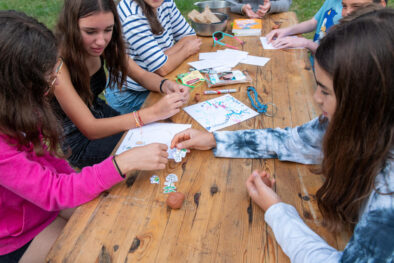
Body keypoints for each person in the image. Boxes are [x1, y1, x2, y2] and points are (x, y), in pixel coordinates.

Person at [171, 8, 394, 262]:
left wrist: (277, 211)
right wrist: (214, 139)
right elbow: (292, 141)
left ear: (368, 98)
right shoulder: (361, 122)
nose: (315, 98)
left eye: (325, 91)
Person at [0, 10, 169, 263]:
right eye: (44, 86)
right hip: (15, 236)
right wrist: (122, 162)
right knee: (95, 249)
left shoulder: (20, 110)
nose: (48, 93)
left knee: (115, 218)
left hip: (41, 206)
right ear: (13, 87)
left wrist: (80, 187)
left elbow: (54, 166)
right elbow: (53, 191)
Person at [53, 0, 188, 168]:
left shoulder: (106, 44)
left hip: (102, 115)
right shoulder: (57, 66)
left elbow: (141, 75)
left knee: (172, 134)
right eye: (90, 31)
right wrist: (151, 113)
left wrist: (165, 85)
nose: (101, 41)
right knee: (161, 147)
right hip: (81, 142)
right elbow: (90, 128)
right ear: (71, 26)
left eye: (108, 30)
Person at [104, 0, 201, 114]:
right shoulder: (132, 14)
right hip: (130, 95)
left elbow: (190, 36)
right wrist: (186, 50)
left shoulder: (164, 2)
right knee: (188, 108)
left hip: (158, 82)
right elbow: (163, 69)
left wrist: (163, 59)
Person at [265, 0, 387, 52]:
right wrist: (287, 31)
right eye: (344, 6)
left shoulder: (361, 28)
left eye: (356, 6)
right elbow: (315, 22)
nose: (348, 12)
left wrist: (307, 44)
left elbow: (336, 57)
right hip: (316, 66)